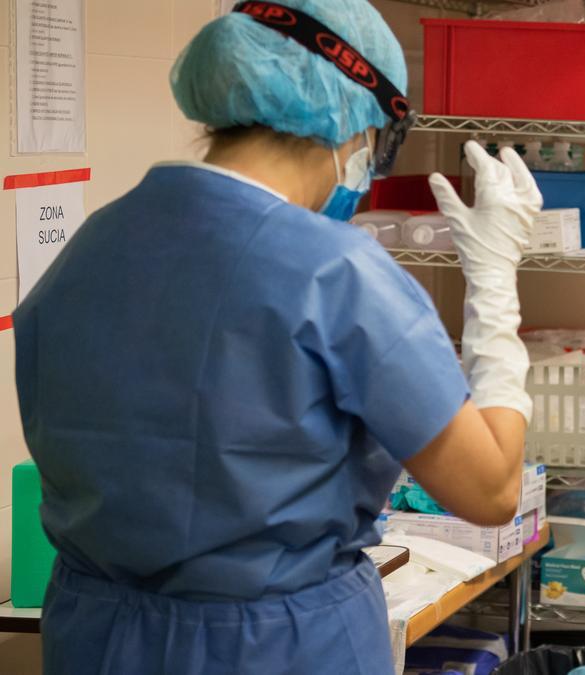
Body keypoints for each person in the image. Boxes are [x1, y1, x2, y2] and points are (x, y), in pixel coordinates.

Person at [13, 1, 540, 673]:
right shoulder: (334, 270)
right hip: (278, 645)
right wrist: (494, 288)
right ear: (347, 122)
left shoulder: (86, 249)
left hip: (97, 636)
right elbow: (492, 487)